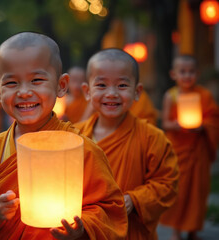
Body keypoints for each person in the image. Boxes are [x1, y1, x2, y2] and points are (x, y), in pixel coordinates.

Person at [0, 32, 128, 240]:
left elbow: (110, 212)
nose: (24, 92)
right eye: (11, 83)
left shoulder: (82, 148)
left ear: (61, 85)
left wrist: (82, 230)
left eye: (36, 80)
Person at [73, 48, 179, 239]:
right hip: (87, 231)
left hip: (131, 232)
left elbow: (167, 184)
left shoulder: (151, 137)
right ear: (87, 92)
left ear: (137, 92)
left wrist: (136, 200)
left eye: (122, 86)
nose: (112, 93)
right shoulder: (74, 136)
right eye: (102, 85)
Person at [159, 55, 219, 240]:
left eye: (191, 72)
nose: (187, 76)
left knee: (198, 191)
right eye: (182, 72)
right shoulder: (171, 95)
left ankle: (193, 231)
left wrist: (203, 126)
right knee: (180, 191)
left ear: (197, 74)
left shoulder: (204, 95)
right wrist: (177, 125)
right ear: (173, 74)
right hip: (179, 151)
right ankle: (176, 231)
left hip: (198, 149)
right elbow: (166, 123)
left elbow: (214, 119)